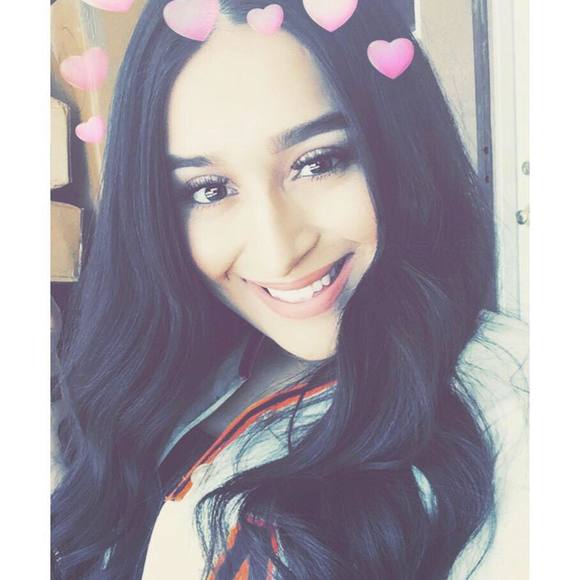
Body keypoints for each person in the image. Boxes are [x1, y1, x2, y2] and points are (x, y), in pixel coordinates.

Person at [50, 1, 529, 579]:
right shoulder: (178, 362)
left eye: (319, 162)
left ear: (398, 143)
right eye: (209, 189)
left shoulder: (516, 411)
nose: (278, 251)